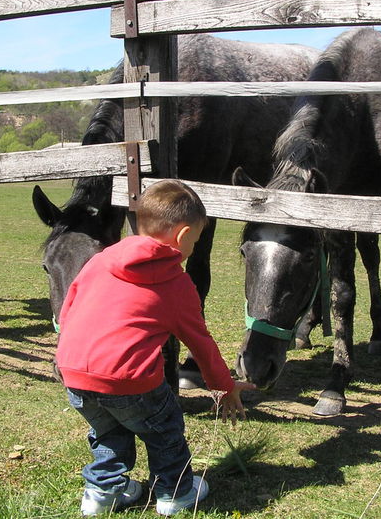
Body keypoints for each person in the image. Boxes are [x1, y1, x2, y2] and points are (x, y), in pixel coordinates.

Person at [56, 179, 254, 516]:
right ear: (182, 236)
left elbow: (68, 307)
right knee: (165, 426)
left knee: (108, 429)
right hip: (128, 379)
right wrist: (224, 386)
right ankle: (174, 491)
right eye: (195, 239)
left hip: (74, 375)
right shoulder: (175, 283)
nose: (193, 246)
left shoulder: (100, 261)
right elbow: (201, 345)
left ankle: (103, 492)